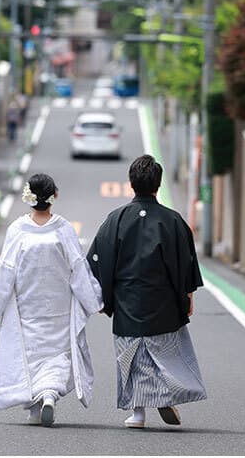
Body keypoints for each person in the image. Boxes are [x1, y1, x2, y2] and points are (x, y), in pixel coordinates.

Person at [87, 154, 207, 429]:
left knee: (129, 358)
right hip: (164, 303)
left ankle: (138, 413)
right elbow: (186, 265)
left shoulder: (116, 219)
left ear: (131, 184)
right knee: (164, 355)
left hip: (127, 302)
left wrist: (103, 299)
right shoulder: (173, 221)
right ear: (159, 184)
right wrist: (187, 297)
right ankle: (164, 393)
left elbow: (97, 260)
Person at [0, 173, 103, 427]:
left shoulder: (18, 230)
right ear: (54, 196)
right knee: (57, 354)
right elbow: (78, 269)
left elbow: (5, 271)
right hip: (59, 308)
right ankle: (49, 394)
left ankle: (35, 408)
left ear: (28, 197)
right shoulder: (63, 229)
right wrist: (94, 301)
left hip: (28, 308)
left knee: (30, 356)